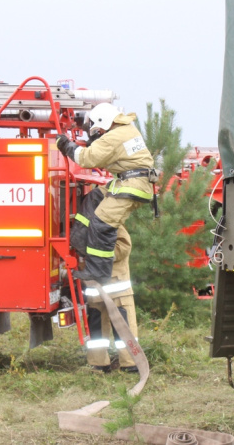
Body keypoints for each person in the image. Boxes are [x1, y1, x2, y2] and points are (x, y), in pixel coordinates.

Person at [56, 102, 155, 372]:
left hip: (112, 279)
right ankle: (98, 363)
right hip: (97, 280)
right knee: (96, 202)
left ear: (103, 123)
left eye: (96, 127)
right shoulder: (123, 132)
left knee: (100, 223)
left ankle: (130, 364)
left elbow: (88, 158)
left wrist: (67, 146)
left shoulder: (115, 136)